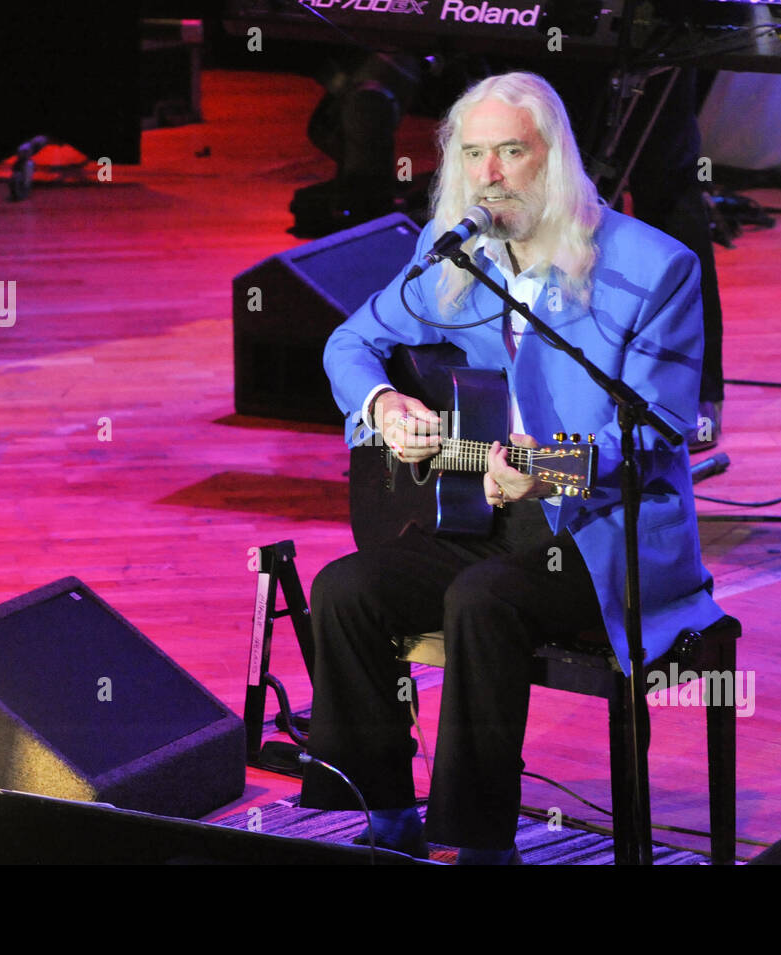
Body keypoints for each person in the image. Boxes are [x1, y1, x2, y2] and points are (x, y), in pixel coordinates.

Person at [299, 71, 724, 864]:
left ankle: (481, 840)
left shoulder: (653, 268)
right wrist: (384, 404)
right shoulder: (451, 254)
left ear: (553, 157)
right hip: (483, 516)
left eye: (510, 152)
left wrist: (552, 467)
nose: (489, 173)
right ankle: (384, 815)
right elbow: (347, 343)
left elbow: (662, 430)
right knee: (345, 588)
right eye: (474, 153)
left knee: (482, 597)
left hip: (606, 534)